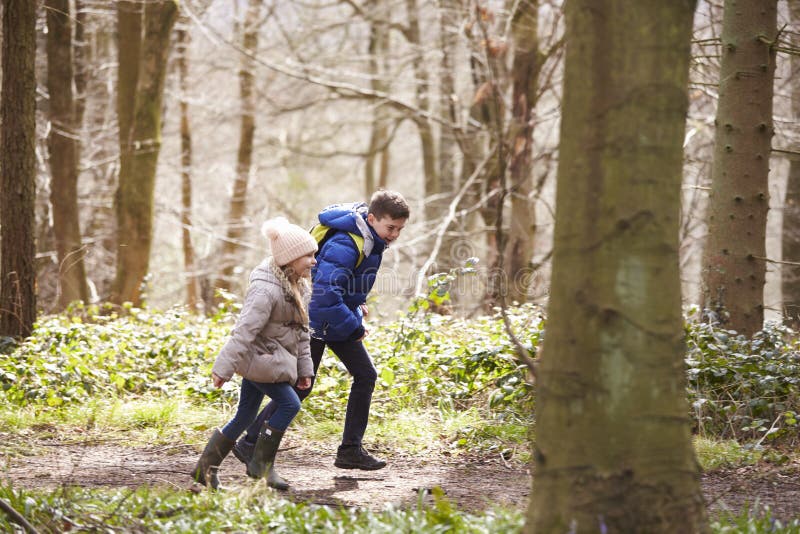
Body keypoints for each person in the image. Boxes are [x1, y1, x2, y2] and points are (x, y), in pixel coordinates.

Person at [232, 190, 410, 471]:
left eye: (399, 229)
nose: (395, 234)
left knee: (365, 375)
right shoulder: (347, 242)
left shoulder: (370, 238)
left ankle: (350, 450)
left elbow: (344, 281)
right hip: (316, 320)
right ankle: (250, 442)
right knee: (301, 388)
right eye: (391, 228)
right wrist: (353, 328)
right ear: (372, 218)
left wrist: (357, 303)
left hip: (336, 318)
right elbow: (323, 296)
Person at [191, 217, 318, 490]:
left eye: (314, 254)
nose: (313, 261)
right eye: (308, 255)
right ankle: (260, 466)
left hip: (268, 360)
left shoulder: (299, 285)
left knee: (245, 415)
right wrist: (223, 368)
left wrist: (305, 369)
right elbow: (244, 331)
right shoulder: (266, 289)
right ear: (290, 258)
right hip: (258, 361)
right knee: (290, 404)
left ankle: (205, 469)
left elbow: (302, 332)